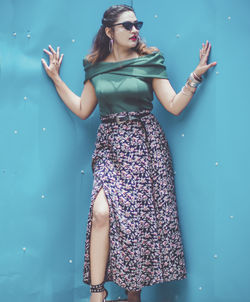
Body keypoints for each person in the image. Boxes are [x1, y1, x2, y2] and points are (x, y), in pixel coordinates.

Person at [41, 4, 217, 302]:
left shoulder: (150, 59)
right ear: (109, 31)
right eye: (127, 26)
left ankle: (132, 296)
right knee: (101, 213)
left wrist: (194, 78)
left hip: (145, 146)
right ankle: (98, 294)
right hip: (110, 145)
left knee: (134, 224)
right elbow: (84, 109)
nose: (135, 30)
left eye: (137, 24)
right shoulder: (94, 64)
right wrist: (57, 79)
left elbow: (173, 105)